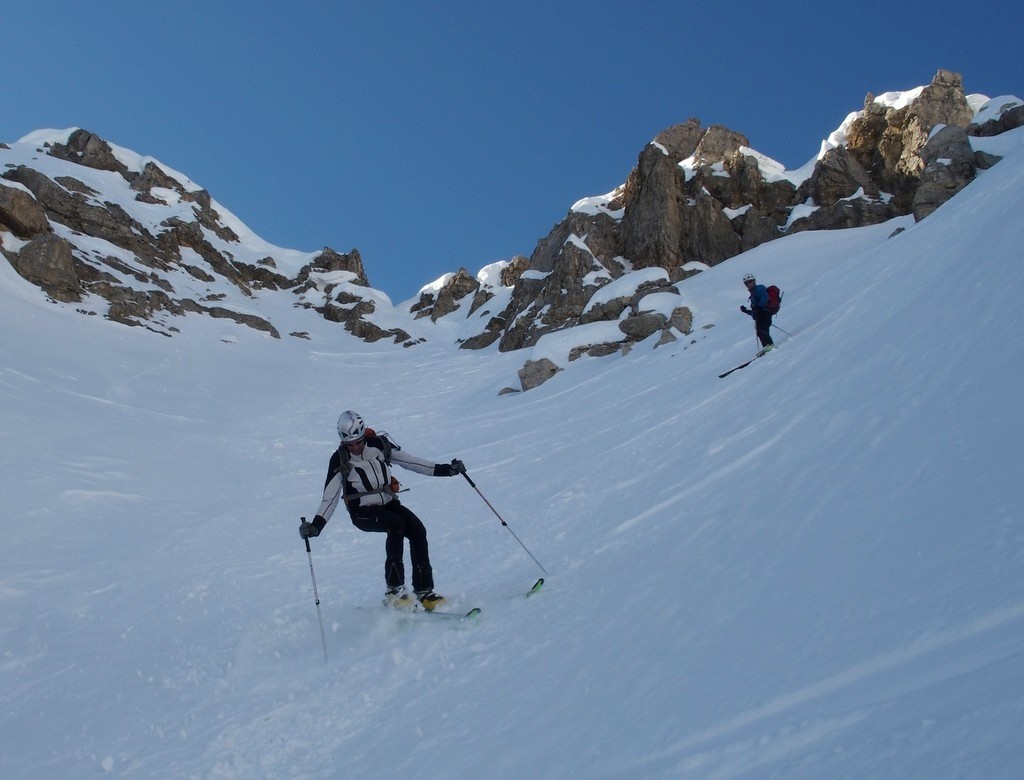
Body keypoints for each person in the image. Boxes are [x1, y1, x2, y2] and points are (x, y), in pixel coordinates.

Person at [299, 410, 466, 611]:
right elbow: (330, 496)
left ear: (363, 435)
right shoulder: (339, 459)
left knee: (417, 530)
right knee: (396, 525)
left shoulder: (379, 444)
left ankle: (424, 592)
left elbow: (410, 461)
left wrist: (445, 469)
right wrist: (316, 526)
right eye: (349, 444)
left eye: (358, 442)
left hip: (388, 503)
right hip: (362, 512)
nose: (354, 447)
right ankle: (394, 592)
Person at [739, 273, 774, 351]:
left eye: (749, 282)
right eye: (746, 283)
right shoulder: (752, 295)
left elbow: (765, 297)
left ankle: (769, 345)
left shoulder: (759, 288)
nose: (748, 284)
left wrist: (759, 306)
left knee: (763, 330)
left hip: (765, 313)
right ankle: (766, 347)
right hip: (759, 315)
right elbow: (755, 310)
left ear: (754, 281)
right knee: (759, 331)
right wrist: (746, 311)